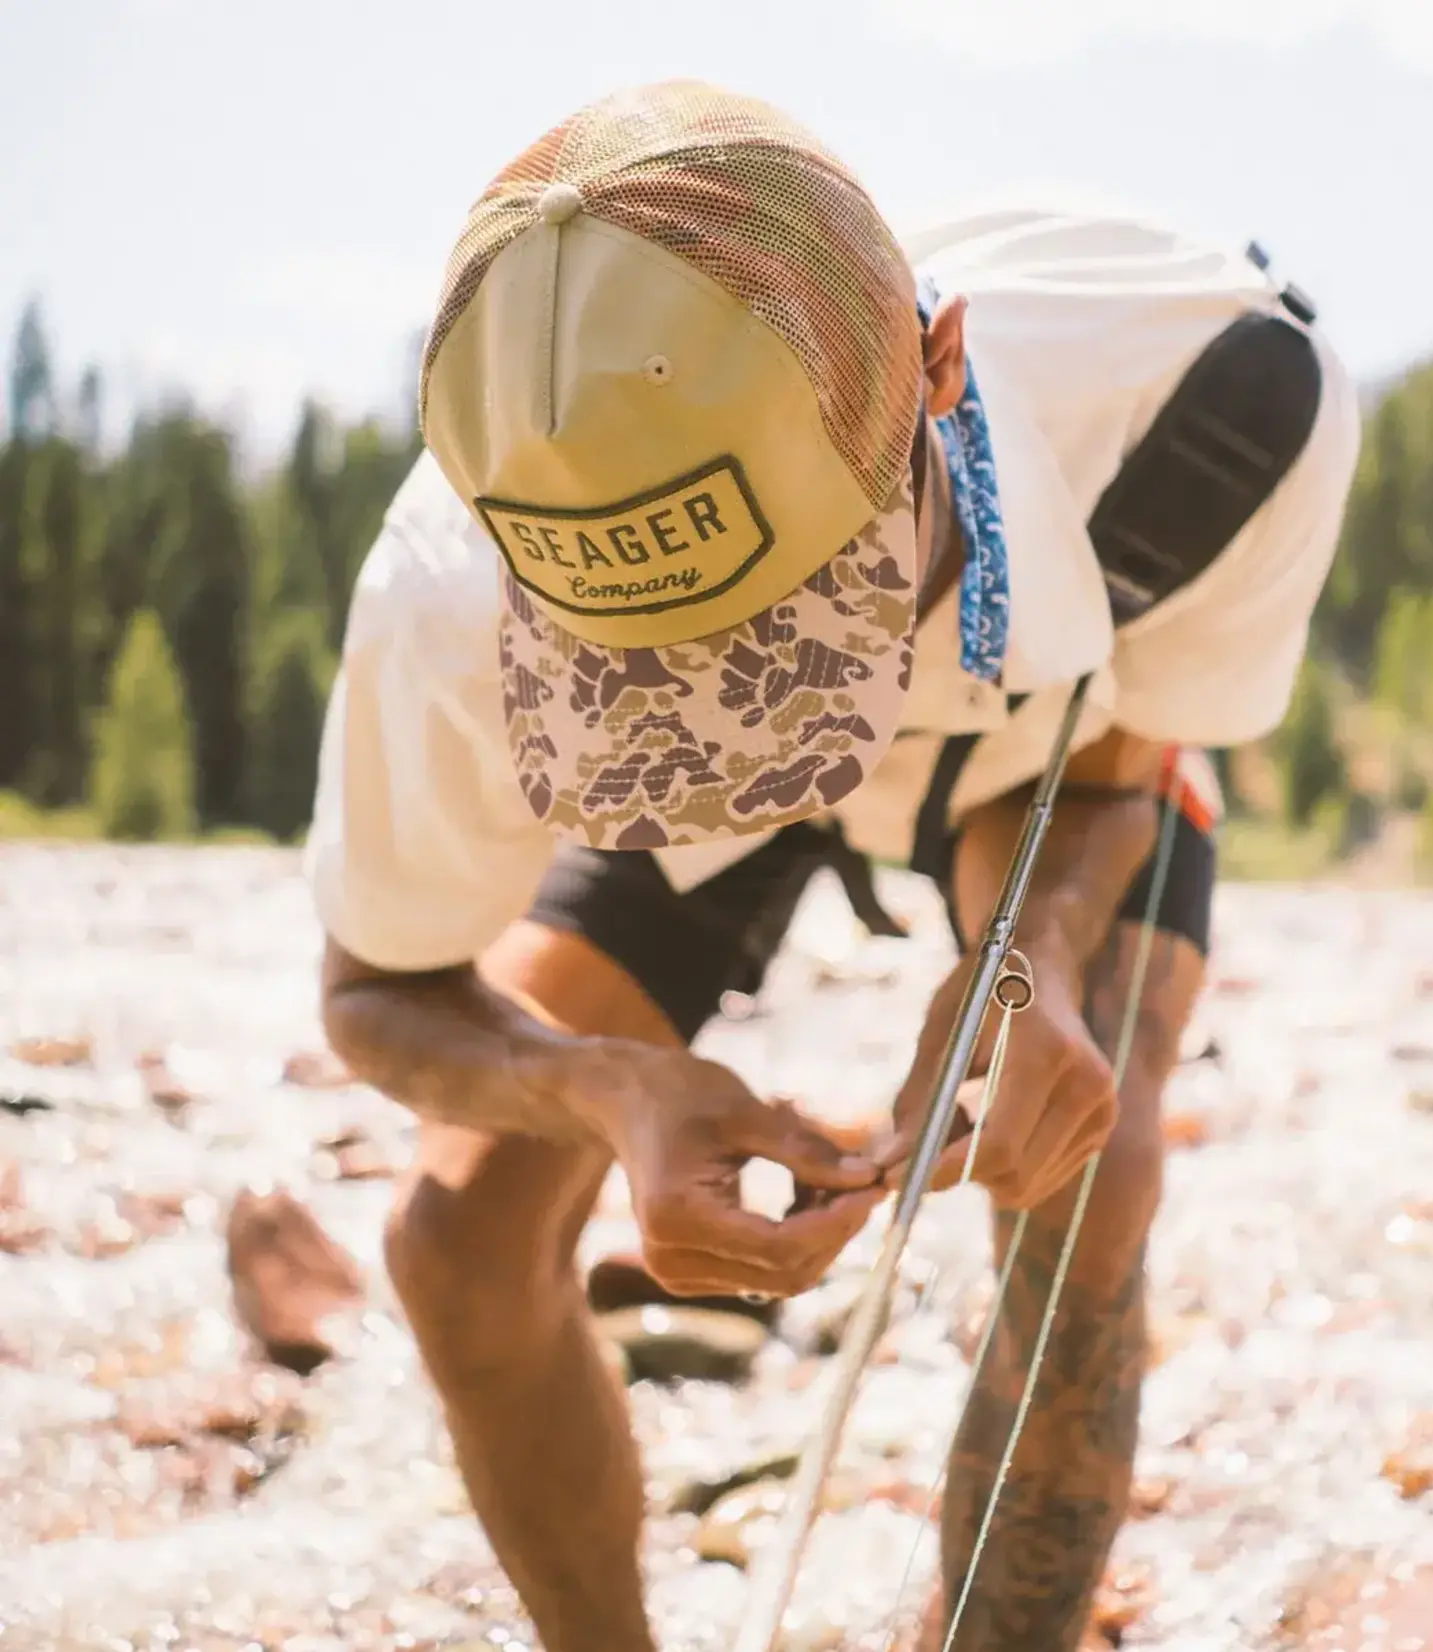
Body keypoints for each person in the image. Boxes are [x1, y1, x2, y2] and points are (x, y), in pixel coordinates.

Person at [306, 79, 1361, 1652]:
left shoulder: (1220, 402)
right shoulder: (454, 590)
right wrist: (597, 1084)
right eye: (661, 674)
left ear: (939, 364)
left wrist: (1036, 960)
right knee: (460, 1239)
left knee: (1096, 1172)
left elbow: (1124, 768)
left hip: (1032, 765)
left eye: (782, 645)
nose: (740, 717)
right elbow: (374, 995)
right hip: (679, 809)